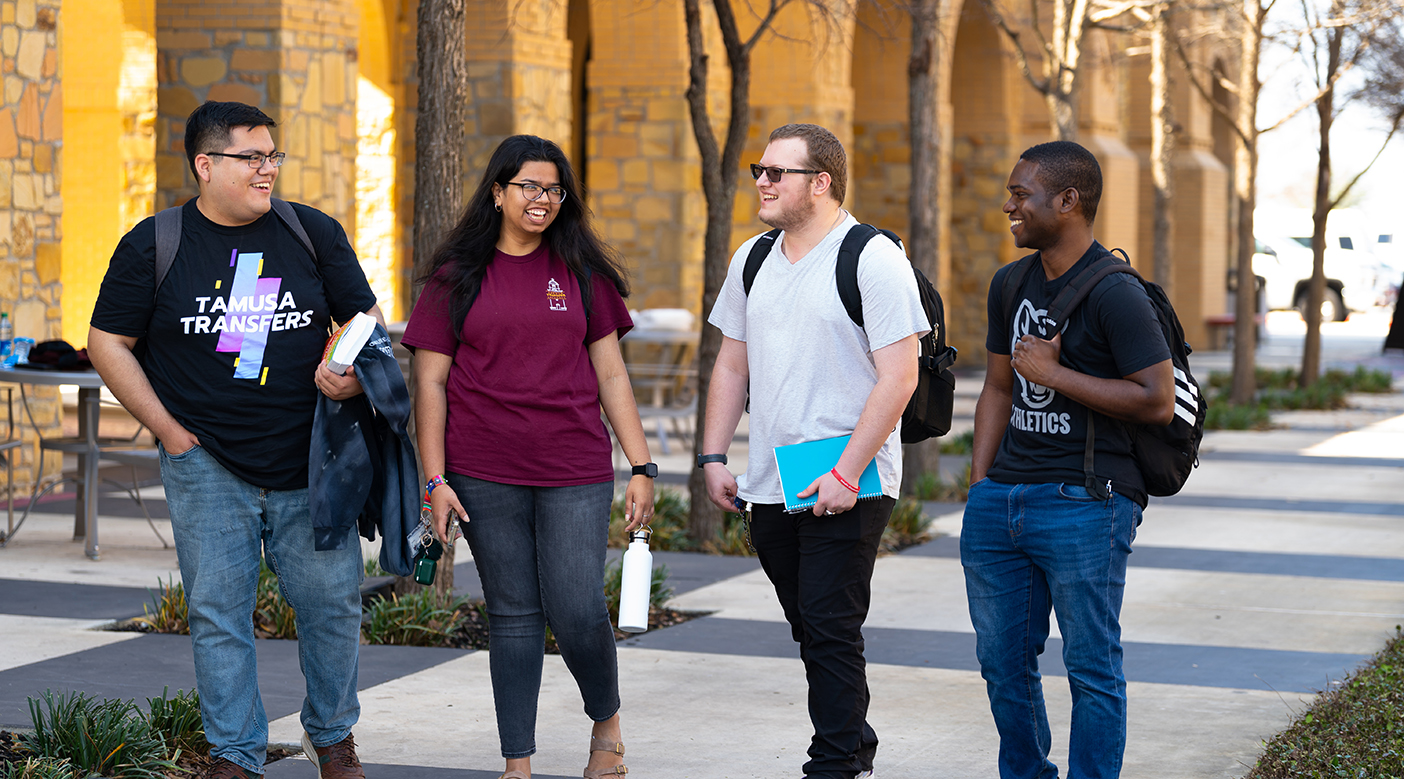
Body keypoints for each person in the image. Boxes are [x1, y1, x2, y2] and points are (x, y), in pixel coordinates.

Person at [88, 101, 382, 779]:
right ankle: (236, 751)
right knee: (219, 612)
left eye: (273, 156)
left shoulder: (311, 232)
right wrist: (168, 431)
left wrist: (352, 375)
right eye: (252, 157)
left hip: (310, 458)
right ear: (205, 164)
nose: (268, 169)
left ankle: (332, 735)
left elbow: (366, 320)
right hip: (207, 462)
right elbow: (107, 341)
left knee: (331, 606)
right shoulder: (154, 242)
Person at [402, 134, 654, 779]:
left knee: (575, 608)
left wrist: (642, 465)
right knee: (512, 617)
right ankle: (518, 763)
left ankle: (607, 722)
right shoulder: (456, 278)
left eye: (553, 189)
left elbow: (613, 378)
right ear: (497, 192)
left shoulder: (581, 275)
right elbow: (428, 383)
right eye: (529, 187)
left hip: (573, 467)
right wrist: (435, 481)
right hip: (483, 470)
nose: (542, 200)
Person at [699, 123, 928, 779]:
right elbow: (731, 367)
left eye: (777, 172)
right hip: (776, 479)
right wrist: (715, 456)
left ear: (821, 183)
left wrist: (846, 470)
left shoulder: (872, 257)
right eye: (759, 170)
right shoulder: (753, 258)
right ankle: (853, 737)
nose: (762, 182)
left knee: (830, 626)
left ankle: (832, 764)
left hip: (848, 475)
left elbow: (900, 376)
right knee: (811, 625)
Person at [962, 140, 1175, 778]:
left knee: (1090, 666)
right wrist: (981, 488)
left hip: (1087, 500)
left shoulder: (1117, 293)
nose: (1009, 206)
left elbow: (1155, 398)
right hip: (1004, 499)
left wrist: (1055, 376)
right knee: (1002, 663)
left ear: (1068, 200)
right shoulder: (1011, 283)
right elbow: (999, 387)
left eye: (1020, 194)